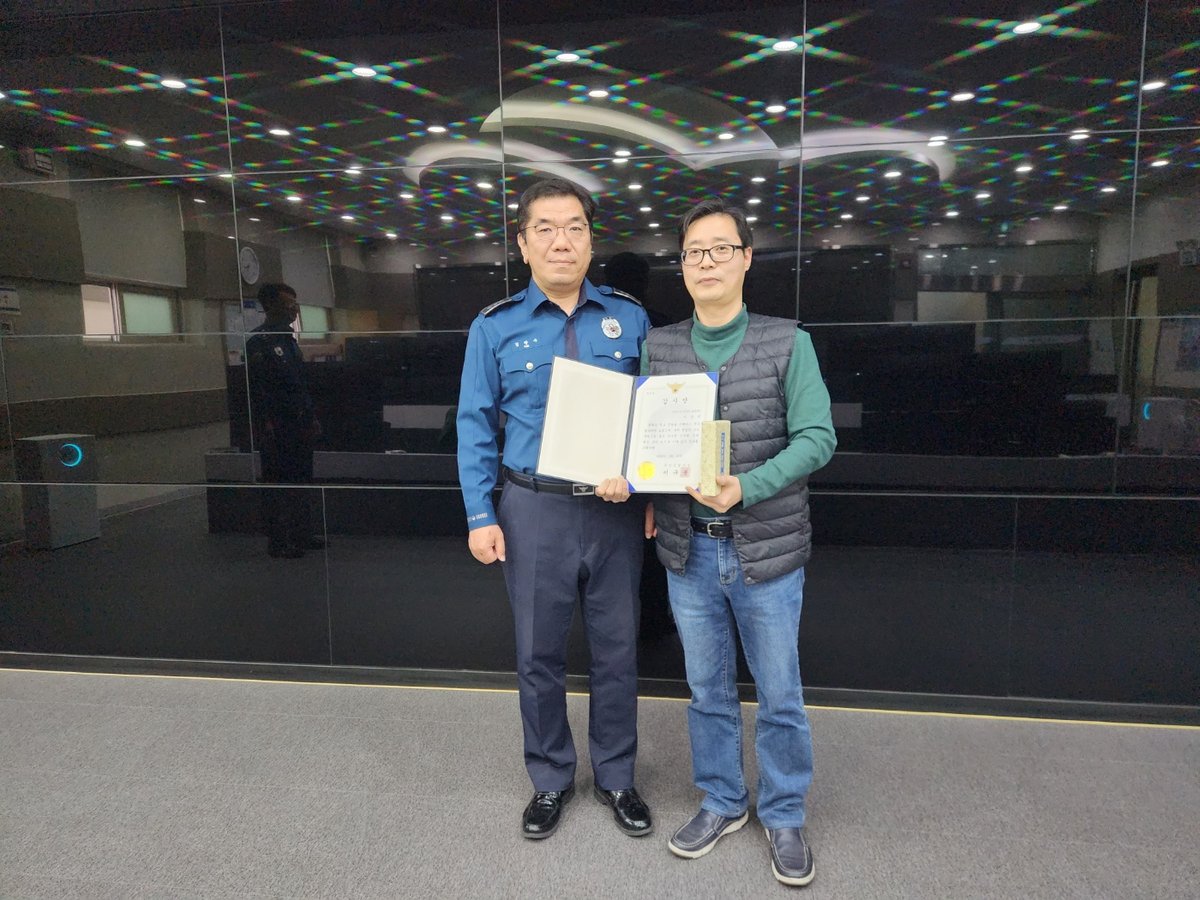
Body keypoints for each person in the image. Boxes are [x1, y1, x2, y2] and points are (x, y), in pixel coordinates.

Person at [642, 198, 836, 887]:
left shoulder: (788, 342)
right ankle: (723, 801)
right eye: (695, 251)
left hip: (766, 551)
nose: (707, 262)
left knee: (780, 694)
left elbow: (818, 439)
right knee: (706, 690)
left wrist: (747, 487)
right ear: (682, 266)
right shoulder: (659, 347)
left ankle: (783, 813)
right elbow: (649, 442)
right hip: (687, 550)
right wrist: (640, 483)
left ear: (747, 259)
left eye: (721, 248)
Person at [456, 177, 654, 840]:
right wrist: (480, 514)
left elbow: (654, 415)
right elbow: (474, 424)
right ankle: (549, 778)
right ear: (523, 243)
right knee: (538, 652)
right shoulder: (494, 326)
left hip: (615, 512)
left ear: (591, 240)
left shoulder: (630, 318)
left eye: (574, 227)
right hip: (533, 510)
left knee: (617, 650)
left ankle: (617, 776)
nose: (561, 240)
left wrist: (649, 490)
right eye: (545, 228)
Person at [246, 282, 321, 559]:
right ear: (270, 306)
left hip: (299, 422)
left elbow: (299, 385)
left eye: (295, 305)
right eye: (288, 305)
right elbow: (258, 390)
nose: (294, 310)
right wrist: (265, 424)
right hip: (277, 425)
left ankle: (302, 533)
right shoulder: (259, 342)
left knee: (301, 479)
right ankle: (278, 540)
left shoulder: (288, 340)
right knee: (278, 482)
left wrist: (311, 416)